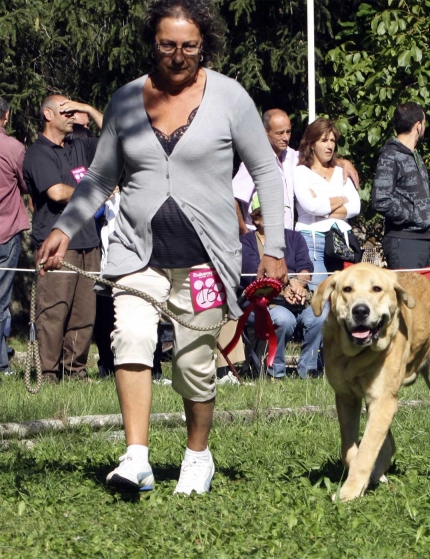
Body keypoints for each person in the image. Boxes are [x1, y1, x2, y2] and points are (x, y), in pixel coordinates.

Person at [36, 0, 286, 496]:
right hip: (136, 254)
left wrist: (272, 244)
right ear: (153, 43)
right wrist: (65, 228)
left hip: (206, 261)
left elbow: (266, 173)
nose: (177, 56)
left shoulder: (230, 97)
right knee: (130, 336)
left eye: (188, 46)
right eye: (167, 45)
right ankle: (137, 458)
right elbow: (103, 176)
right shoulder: (128, 99)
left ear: (203, 45)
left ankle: (197, 456)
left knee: (193, 364)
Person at [23, 96, 103, 382]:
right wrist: (96, 192)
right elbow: (56, 192)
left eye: (73, 110)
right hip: (55, 244)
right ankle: (47, 373)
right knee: (54, 312)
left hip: (89, 242)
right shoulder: (37, 153)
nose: (71, 115)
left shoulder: (79, 146)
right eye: (64, 110)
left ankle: (75, 372)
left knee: (84, 315)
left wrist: (89, 109)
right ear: (47, 114)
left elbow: (116, 138)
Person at [233, 109, 360, 234]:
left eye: (288, 132)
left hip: (288, 237)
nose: (285, 137)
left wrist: (344, 163)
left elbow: (317, 156)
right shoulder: (255, 162)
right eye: (279, 133)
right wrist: (243, 231)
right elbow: (232, 199)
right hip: (260, 236)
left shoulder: (293, 157)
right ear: (265, 133)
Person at [241, 195, 326, 379]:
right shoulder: (247, 243)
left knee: (321, 316)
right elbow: (255, 278)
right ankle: (274, 372)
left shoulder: (294, 237)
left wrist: (298, 285)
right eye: (272, 213)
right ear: (257, 219)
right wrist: (284, 288)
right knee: (283, 319)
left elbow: (306, 267)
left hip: (298, 296)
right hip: (265, 302)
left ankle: (308, 371)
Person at [372, 102, 430, 276]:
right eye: (424, 123)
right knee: (410, 300)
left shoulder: (416, 156)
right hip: (404, 242)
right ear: (418, 126)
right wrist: (413, 215)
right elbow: (381, 200)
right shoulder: (389, 156)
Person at [293, 117, 361, 288]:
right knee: (319, 300)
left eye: (332, 140)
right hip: (311, 241)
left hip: (342, 242)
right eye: (324, 140)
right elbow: (311, 206)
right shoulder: (301, 172)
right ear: (312, 143)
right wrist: (341, 199)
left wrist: (322, 205)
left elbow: (355, 207)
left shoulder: (341, 172)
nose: (330, 145)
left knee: (343, 300)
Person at [0, 96, 29, 376]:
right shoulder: (13, 147)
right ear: (6, 116)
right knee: (0, 299)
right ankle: (1, 362)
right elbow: (27, 182)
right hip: (5, 233)